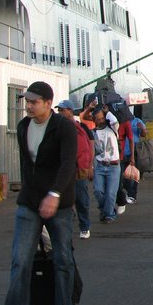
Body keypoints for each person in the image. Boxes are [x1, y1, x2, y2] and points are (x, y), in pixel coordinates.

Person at [4, 81, 77, 305]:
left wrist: (54, 194)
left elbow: (68, 165)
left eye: (34, 102)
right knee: (20, 259)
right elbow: (28, 166)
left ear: (48, 103)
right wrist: (30, 194)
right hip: (29, 202)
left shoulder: (64, 127)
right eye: (27, 102)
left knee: (63, 259)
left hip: (60, 203)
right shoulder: (24, 126)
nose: (29, 107)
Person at [55, 100, 94, 240]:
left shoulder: (81, 127)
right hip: (63, 169)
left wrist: (89, 166)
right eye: (59, 110)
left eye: (62, 110)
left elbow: (88, 147)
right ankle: (65, 228)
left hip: (78, 169)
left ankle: (84, 226)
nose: (60, 113)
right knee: (63, 200)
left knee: (81, 200)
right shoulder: (57, 128)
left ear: (70, 111)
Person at [91, 107, 121, 224]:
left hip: (113, 166)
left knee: (111, 193)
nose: (100, 120)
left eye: (102, 118)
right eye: (98, 119)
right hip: (99, 165)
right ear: (94, 120)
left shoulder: (113, 129)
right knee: (98, 191)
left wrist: (107, 111)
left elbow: (114, 121)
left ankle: (109, 215)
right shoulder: (94, 133)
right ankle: (106, 209)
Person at [125, 115, 147, 203]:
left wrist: (142, 128)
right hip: (123, 150)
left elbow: (144, 134)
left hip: (135, 151)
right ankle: (128, 191)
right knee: (123, 175)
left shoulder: (137, 121)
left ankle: (132, 195)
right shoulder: (121, 121)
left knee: (134, 174)